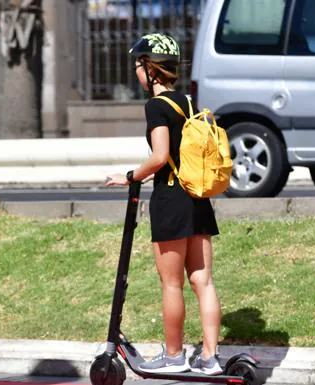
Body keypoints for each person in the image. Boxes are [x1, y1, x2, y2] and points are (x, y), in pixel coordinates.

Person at [105, 33, 223, 375]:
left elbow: (158, 157)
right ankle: (210, 358)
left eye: (137, 66)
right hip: (197, 196)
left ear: (149, 68)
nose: (136, 73)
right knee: (204, 281)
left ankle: (174, 356)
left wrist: (130, 176)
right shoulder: (187, 101)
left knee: (172, 283)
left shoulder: (156, 106)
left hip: (171, 199)